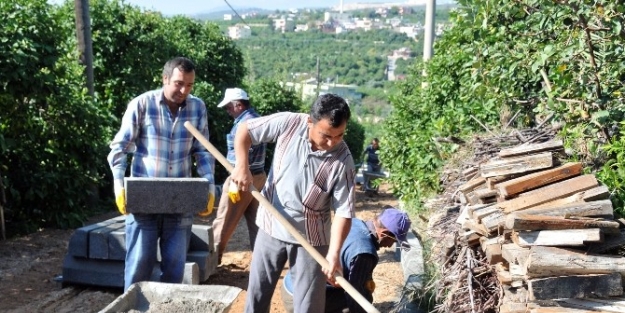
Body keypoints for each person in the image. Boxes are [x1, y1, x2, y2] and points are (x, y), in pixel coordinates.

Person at [229, 93, 357, 313]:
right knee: (257, 296)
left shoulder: (343, 161)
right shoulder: (289, 123)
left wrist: (333, 255)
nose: (332, 142)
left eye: (339, 135)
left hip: (311, 239)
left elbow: (344, 212)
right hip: (271, 224)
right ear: (310, 121)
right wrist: (242, 166)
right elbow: (245, 131)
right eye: (326, 135)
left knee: (308, 306)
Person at [107, 57, 216, 291]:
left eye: (189, 85)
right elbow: (119, 148)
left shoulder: (197, 108)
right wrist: (119, 186)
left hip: (180, 198)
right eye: (178, 83)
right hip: (144, 196)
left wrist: (208, 186)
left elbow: (203, 151)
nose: (184, 90)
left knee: (175, 267)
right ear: (165, 79)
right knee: (140, 263)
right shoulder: (142, 104)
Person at [281, 206, 412, 313]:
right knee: (356, 303)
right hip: (301, 301)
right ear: (384, 233)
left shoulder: (352, 223)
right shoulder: (365, 252)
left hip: (290, 286)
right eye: (393, 240)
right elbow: (356, 297)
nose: (390, 245)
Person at [212, 87, 267, 265]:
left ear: (238, 105)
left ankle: (211, 261)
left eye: (228, 107)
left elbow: (246, 153)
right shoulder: (257, 118)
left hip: (242, 178)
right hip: (258, 177)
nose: (228, 111)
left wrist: (236, 180)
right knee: (257, 223)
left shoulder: (246, 123)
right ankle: (262, 262)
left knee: (224, 220)